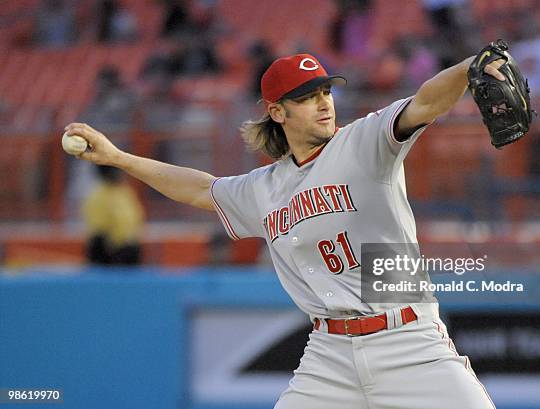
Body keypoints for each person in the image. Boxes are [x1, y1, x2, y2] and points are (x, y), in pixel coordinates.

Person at [64, 51, 505, 408]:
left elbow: (425, 101)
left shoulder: (364, 143)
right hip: (328, 355)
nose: (324, 102)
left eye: (325, 91)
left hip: (408, 339)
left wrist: (468, 68)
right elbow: (200, 189)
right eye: (307, 96)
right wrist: (120, 159)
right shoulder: (265, 188)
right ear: (277, 111)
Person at [82, 165, 144, 265]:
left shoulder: (125, 192)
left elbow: (135, 218)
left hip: (130, 248)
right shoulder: (98, 196)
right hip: (109, 252)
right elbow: (98, 231)